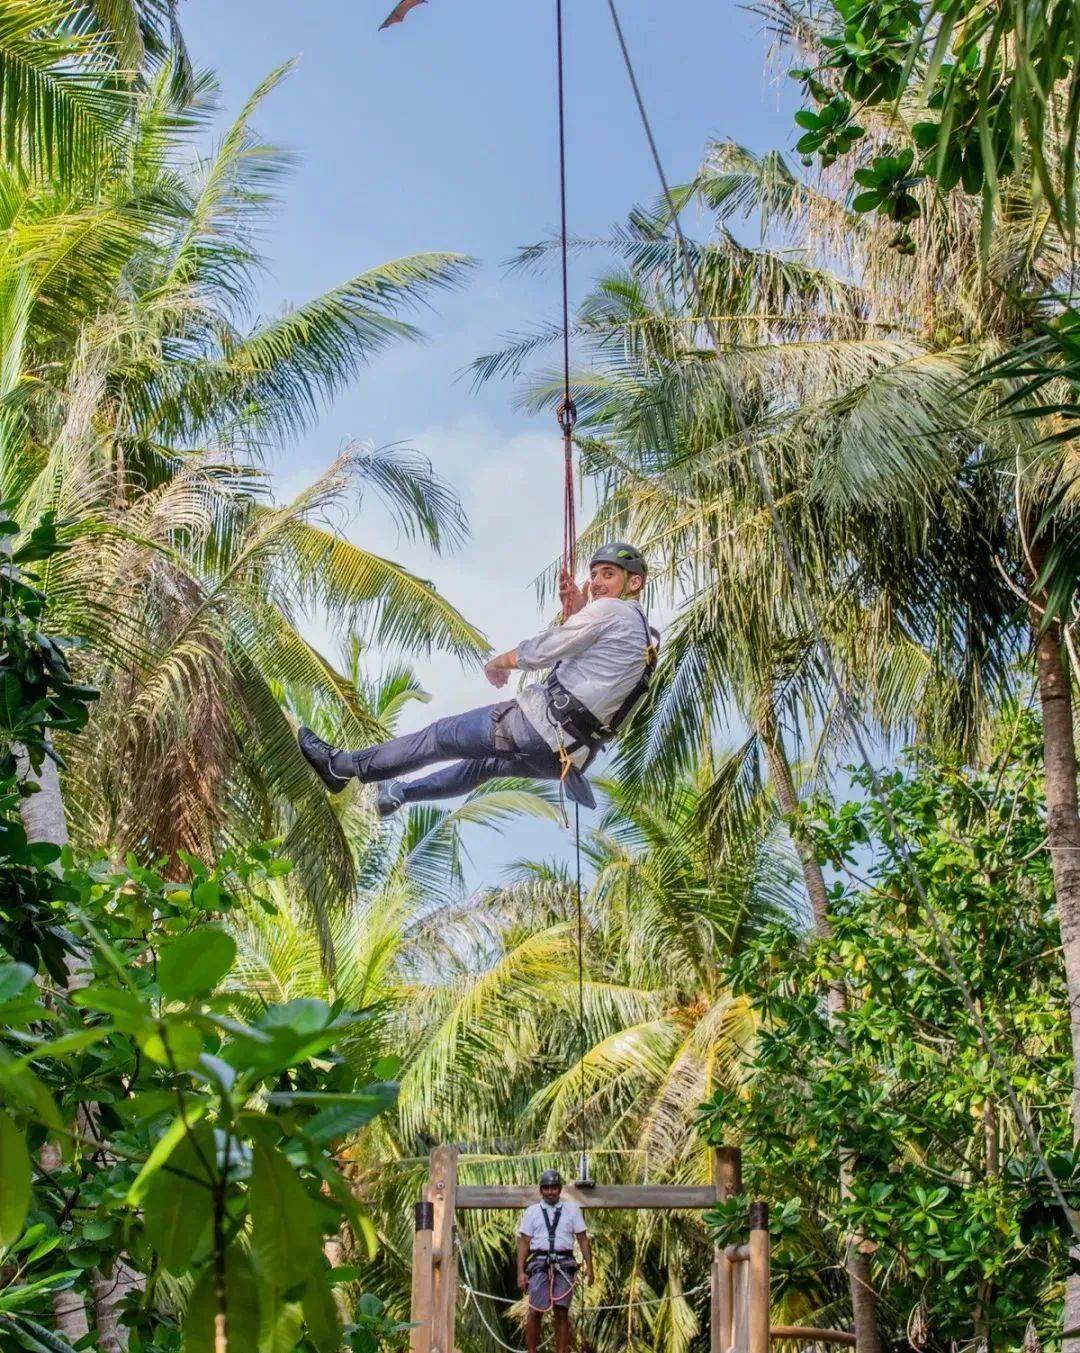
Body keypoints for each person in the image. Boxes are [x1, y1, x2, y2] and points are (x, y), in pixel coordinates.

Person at [296, 542, 660, 815]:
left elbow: (542, 651)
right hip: (567, 758)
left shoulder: (610, 611)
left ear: (634, 583)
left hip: (536, 727)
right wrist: (579, 611)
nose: (596, 582)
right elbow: (600, 671)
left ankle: (341, 767)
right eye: (594, 574)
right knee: (481, 767)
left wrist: (500, 662)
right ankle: (400, 794)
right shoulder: (647, 638)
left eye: (608, 575)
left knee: (439, 737)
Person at [517, 1169, 593, 1353]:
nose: (550, 1191)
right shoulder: (532, 1212)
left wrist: (590, 1268)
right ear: (541, 1190)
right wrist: (520, 1272)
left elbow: (582, 1238)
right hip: (539, 1264)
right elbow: (524, 1242)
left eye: (554, 1187)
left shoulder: (572, 1210)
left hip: (564, 1264)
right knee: (535, 1310)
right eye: (546, 1188)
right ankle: (531, 1351)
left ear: (559, 1189)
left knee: (561, 1311)